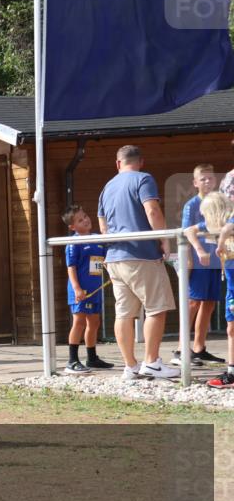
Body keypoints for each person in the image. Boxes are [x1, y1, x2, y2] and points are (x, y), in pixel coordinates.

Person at [97, 145, 177, 380]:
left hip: (115, 257)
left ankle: (130, 366)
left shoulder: (107, 187)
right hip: (142, 255)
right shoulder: (143, 179)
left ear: (118, 163)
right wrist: (164, 239)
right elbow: (152, 211)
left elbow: (103, 226)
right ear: (141, 162)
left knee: (123, 314)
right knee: (157, 308)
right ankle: (151, 362)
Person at [173, 164, 225, 367]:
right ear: (195, 183)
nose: (207, 182)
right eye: (203, 179)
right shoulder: (192, 205)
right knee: (193, 302)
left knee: (209, 303)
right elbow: (186, 232)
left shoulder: (219, 202)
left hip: (215, 260)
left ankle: (199, 347)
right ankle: (180, 349)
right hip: (198, 260)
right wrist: (192, 257)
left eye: (210, 178)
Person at [61, 205, 113, 374]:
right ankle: (72, 360)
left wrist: (113, 273)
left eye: (85, 216)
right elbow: (71, 267)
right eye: (80, 220)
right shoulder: (73, 243)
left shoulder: (98, 239)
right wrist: (77, 289)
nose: (85, 220)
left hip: (95, 290)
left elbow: (105, 261)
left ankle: (92, 358)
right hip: (80, 291)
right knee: (79, 322)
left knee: (94, 322)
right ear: (72, 227)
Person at [206, 194, 234, 388]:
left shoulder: (230, 222)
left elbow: (227, 228)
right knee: (231, 329)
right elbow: (190, 230)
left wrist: (221, 242)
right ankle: (232, 372)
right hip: (231, 288)